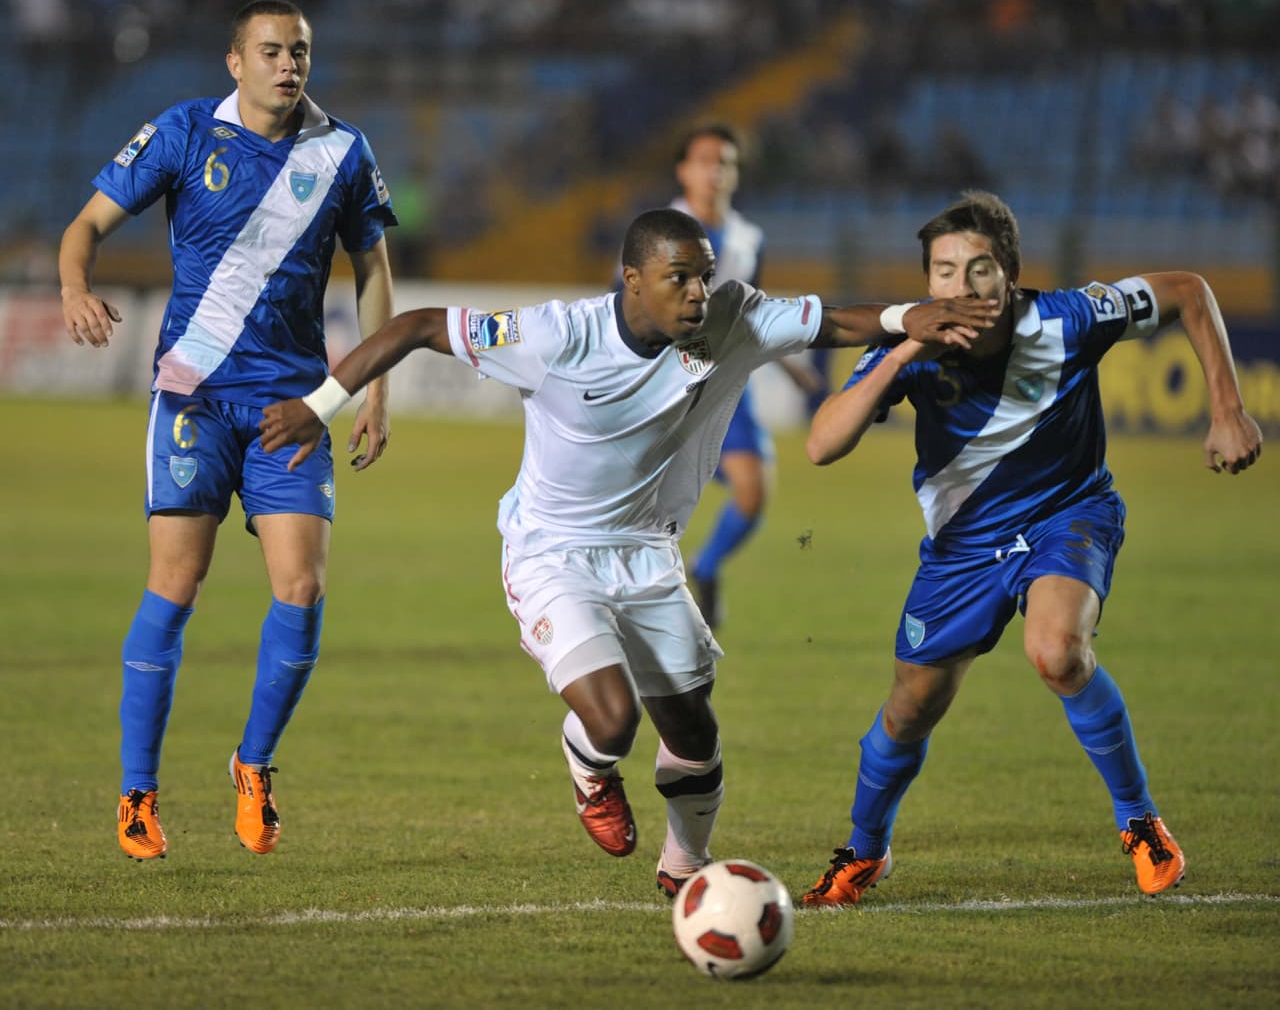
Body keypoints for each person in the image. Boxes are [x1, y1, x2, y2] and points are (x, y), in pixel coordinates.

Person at [258, 208, 999, 896]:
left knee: (696, 731)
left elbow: (834, 320)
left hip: (647, 552)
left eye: (704, 273)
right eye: (680, 277)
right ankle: (589, 766)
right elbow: (418, 324)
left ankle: (686, 866)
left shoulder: (731, 316)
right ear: (633, 279)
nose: (699, 293)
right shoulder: (555, 336)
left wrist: (908, 317)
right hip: (550, 551)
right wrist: (318, 406)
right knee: (613, 720)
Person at [801, 190, 1262, 906]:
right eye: (944, 272)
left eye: (979, 268)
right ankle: (864, 851)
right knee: (909, 709)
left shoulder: (1072, 318)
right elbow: (822, 443)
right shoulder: (908, 347)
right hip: (962, 550)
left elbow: (1188, 291)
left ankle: (1139, 821)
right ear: (927, 282)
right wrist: (908, 346)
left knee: (1057, 651)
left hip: (1067, 514)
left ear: (1010, 273)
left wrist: (1227, 407)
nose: (961, 287)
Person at [58, 0, 398, 861]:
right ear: (235, 63)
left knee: (302, 589)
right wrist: (73, 284)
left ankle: (254, 765)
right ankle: (138, 792)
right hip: (195, 397)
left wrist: (373, 389)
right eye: (273, 51)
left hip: (294, 405)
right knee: (175, 585)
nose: (290, 66)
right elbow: (85, 227)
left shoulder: (341, 150)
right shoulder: (181, 133)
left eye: (301, 52)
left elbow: (373, 273)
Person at [666, 122, 826, 628]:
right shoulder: (660, 229)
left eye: (726, 162)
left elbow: (751, 312)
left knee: (753, 492)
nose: (716, 171)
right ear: (684, 170)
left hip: (725, 384)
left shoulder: (747, 238)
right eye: (705, 160)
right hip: (665, 386)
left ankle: (705, 567)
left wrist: (791, 364)